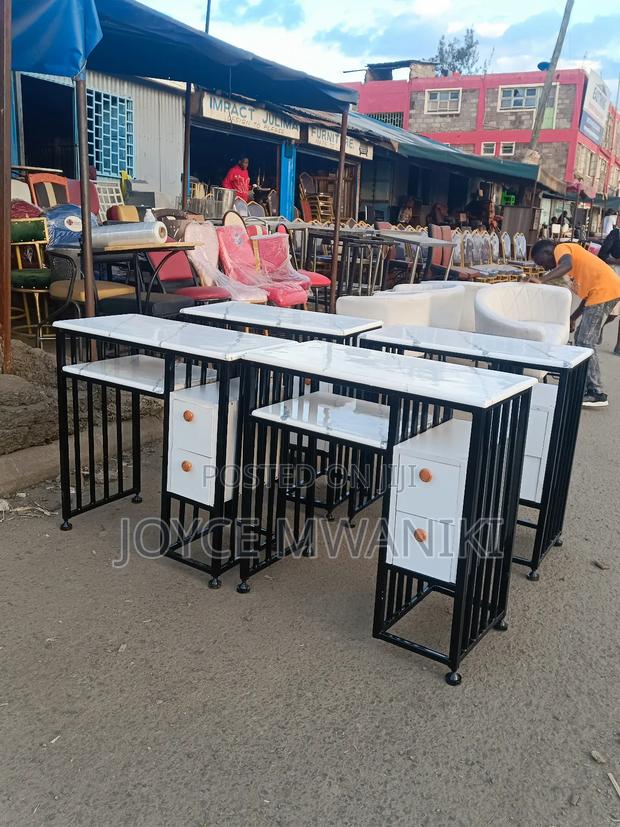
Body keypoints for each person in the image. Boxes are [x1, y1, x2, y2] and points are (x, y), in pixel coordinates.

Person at [531, 239, 620, 407]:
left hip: (604, 292)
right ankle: (586, 386)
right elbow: (587, 298)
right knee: (581, 337)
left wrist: (542, 280)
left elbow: (565, 265)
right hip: (602, 292)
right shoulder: (574, 266)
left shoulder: (561, 249)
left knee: (586, 341)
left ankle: (596, 392)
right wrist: (573, 317)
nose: (545, 268)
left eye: (541, 262)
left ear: (547, 252)